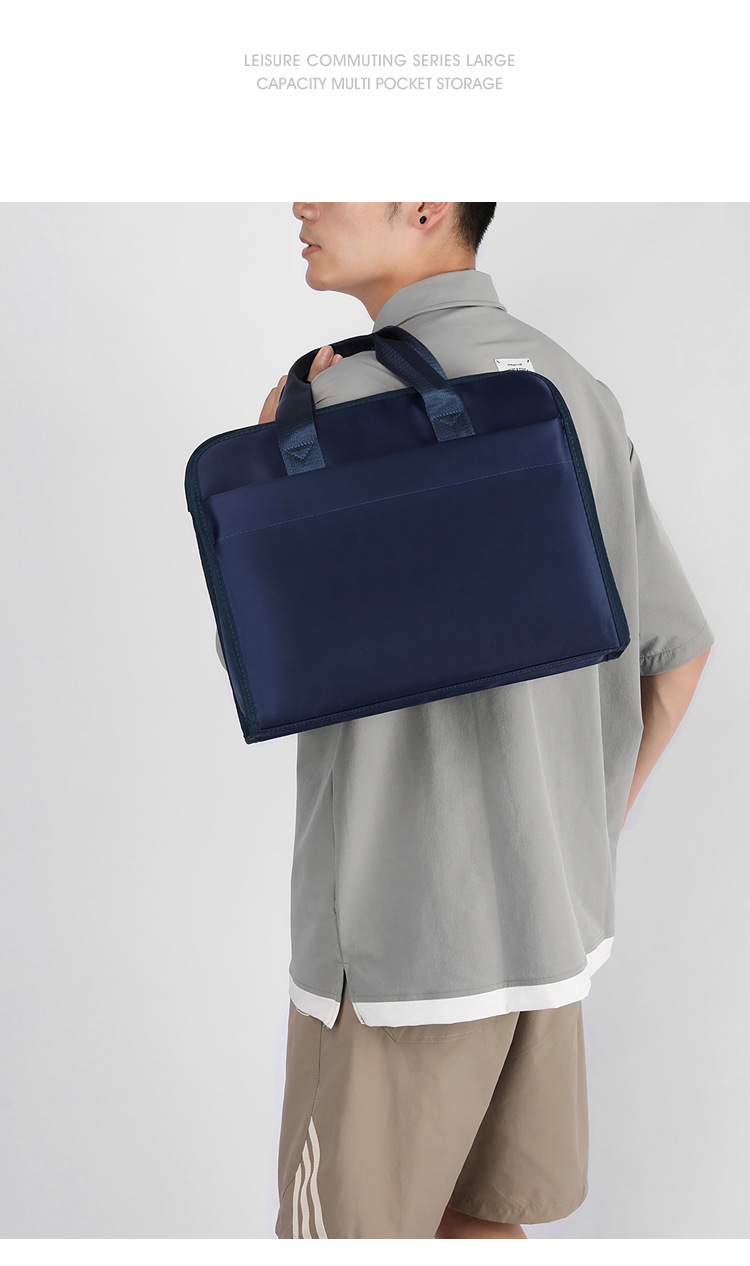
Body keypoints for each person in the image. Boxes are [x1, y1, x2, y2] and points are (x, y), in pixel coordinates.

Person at [217, 203, 715, 1238]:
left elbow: (265, 664)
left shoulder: (328, 409)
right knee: (482, 1226)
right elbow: (677, 657)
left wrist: (269, 463)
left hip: (396, 955)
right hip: (549, 936)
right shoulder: (575, 387)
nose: (302, 200)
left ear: (426, 200)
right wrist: (572, 833)